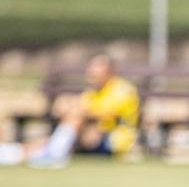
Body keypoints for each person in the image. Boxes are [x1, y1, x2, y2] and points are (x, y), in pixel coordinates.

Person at [0, 54, 139, 168]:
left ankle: (54, 155)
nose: (91, 75)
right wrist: (67, 107)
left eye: (95, 73)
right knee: (47, 142)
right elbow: (81, 107)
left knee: (72, 123)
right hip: (90, 136)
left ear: (109, 72)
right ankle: (10, 153)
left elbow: (104, 114)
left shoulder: (123, 90)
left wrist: (76, 110)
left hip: (115, 141)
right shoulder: (94, 92)